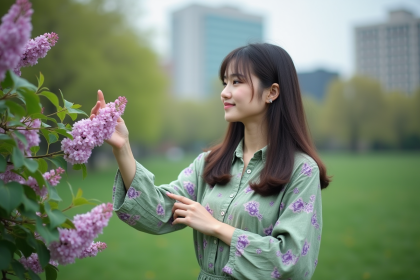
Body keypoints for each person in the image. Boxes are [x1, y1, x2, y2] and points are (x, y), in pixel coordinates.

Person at [90, 43, 330, 280]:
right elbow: (158, 212)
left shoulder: (301, 171)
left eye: (236, 82)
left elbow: (292, 262)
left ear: (272, 92)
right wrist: (123, 149)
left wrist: (215, 226)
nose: (225, 92)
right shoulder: (210, 163)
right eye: (224, 82)